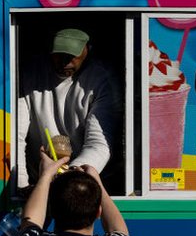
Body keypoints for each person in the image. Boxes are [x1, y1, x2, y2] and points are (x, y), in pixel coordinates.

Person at [16, 28, 121, 189]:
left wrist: (72, 177)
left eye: (72, 56)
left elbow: (99, 143)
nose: (65, 62)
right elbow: (17, 136)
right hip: (39, 179)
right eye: (59, 55)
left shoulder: (102, 79)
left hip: (85, 181)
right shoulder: (29, 73)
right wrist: (21, 184)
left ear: (88, 49)